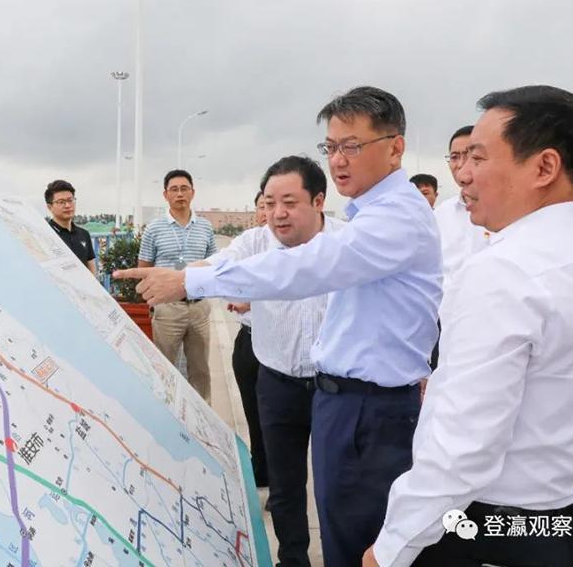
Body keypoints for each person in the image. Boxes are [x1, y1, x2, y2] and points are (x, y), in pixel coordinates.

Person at [115, 86, 442, 567]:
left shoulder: (389, 221)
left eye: (352, 146)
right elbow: (245, 264)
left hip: (369, 408)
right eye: (331, 147)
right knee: (321, 513)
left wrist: (187, 280)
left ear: (395, 148)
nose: (339, 159)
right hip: (325, 395)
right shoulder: (364, 218)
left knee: (359, 535)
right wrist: (193, 276)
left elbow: (304, 268)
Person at [364, 85, 573, 567]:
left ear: (544, 167)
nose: (464, 174)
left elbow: (463, 448)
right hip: (566, 521)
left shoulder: (506, 271)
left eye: (478, 157)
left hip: (487, 532)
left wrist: (390, 550)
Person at [212, 157, 344, 567]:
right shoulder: (254, 243)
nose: (277, 213)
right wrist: (181, 278)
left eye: (289, 202)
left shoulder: (347, 242)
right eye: (270, 203)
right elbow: (218, 268)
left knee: (338, 484)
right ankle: (292, 559)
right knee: (285, 487)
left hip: (337, 387)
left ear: (318, 201)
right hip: (278, 382)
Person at [138, 169, 217, 402]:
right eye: (174, 189)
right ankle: (165, 413)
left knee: (200, 370)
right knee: (164, 368)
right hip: (167, 309)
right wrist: (153, 302)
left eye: (184, 189)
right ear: (165, 195)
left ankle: (203, 418)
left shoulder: (205, 227)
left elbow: (214, 264)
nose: (180, 194)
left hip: (199, 307)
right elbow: (144, 268)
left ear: (193, 192)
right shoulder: (154, 229)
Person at [227, 190, 269, 490]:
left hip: (277, 346)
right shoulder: (248, 244)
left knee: (275, 417)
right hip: (248, 339)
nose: (268, 212)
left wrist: (252, 301)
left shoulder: (299, 246)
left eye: (275, 204)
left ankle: (279, 478)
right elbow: (226, 274)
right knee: (252, 412)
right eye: (263, 206)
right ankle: (260, 469)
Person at [433, 126, 490, 293]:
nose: (460, 164)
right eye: (454, 157)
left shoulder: (506, 212)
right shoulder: (440, 214)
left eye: (469, 155)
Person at [45, 180, 96, 273]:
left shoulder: (84, 234)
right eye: (61, 202)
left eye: (70, 200)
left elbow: (90, 264)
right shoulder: (45, 235)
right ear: (49, 207)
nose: (68, 205)